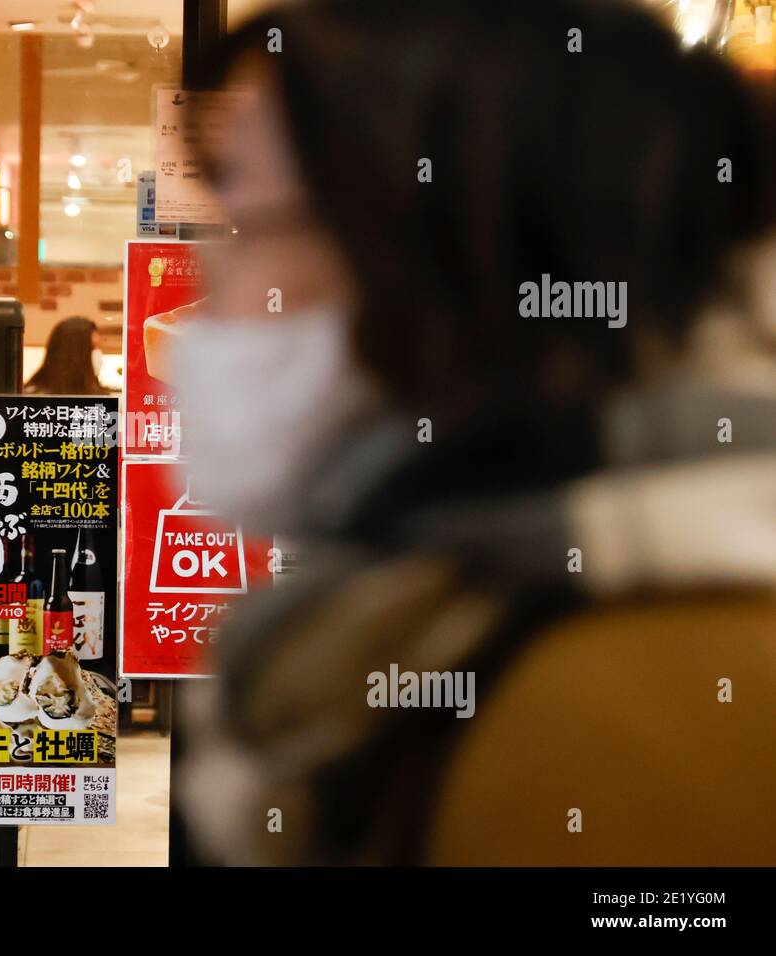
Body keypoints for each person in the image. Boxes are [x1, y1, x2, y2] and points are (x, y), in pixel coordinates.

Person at [173, 0, 776, 865]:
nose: (213, 281)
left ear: (435, 257)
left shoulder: (615, 723)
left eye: (250, 223)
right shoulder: (445, 624)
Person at [23, 316, 109, 395]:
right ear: (74, 354)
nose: (98, 354)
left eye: (99, 348)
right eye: (93, 348)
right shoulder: (32, 400)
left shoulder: (101, 399)